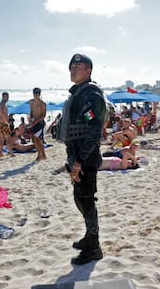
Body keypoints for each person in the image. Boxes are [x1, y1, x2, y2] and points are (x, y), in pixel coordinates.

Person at [57, 53, 106, 265]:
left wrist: (79, 162)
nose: (73, 70)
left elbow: (94, 130)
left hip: (85, 156)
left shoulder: (90, 94)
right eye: (71, 68)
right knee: (80, 197)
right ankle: (89, 236)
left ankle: (94, 247)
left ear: (89, 71)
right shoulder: (79, 93)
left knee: (86, 199)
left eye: (78, 67)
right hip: (76, 153)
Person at [29, 87, 47, 161]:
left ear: (39, 94)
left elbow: (43, 115)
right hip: (33, 122)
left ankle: (40, 155)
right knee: (38, 140)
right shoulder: (31, 102)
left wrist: (35, 121)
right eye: (34, 94)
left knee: (35, 138)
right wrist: (30, 118)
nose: (35, 95)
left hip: (40, 123)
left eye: (37, 94)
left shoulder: (43, 104)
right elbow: (31, 112)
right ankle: (43, 155)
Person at [0, 92, 15, 158]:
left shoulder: (3, 104)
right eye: (6, 96)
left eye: (8, 96)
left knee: (2, 139)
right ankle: (11, 153)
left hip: (1, 123)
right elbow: (1, 113)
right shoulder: (2, 104)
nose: (8, 98)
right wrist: (6, 122)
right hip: (4, 124)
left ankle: (1, 153)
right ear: (3, 97)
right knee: (8, 139)